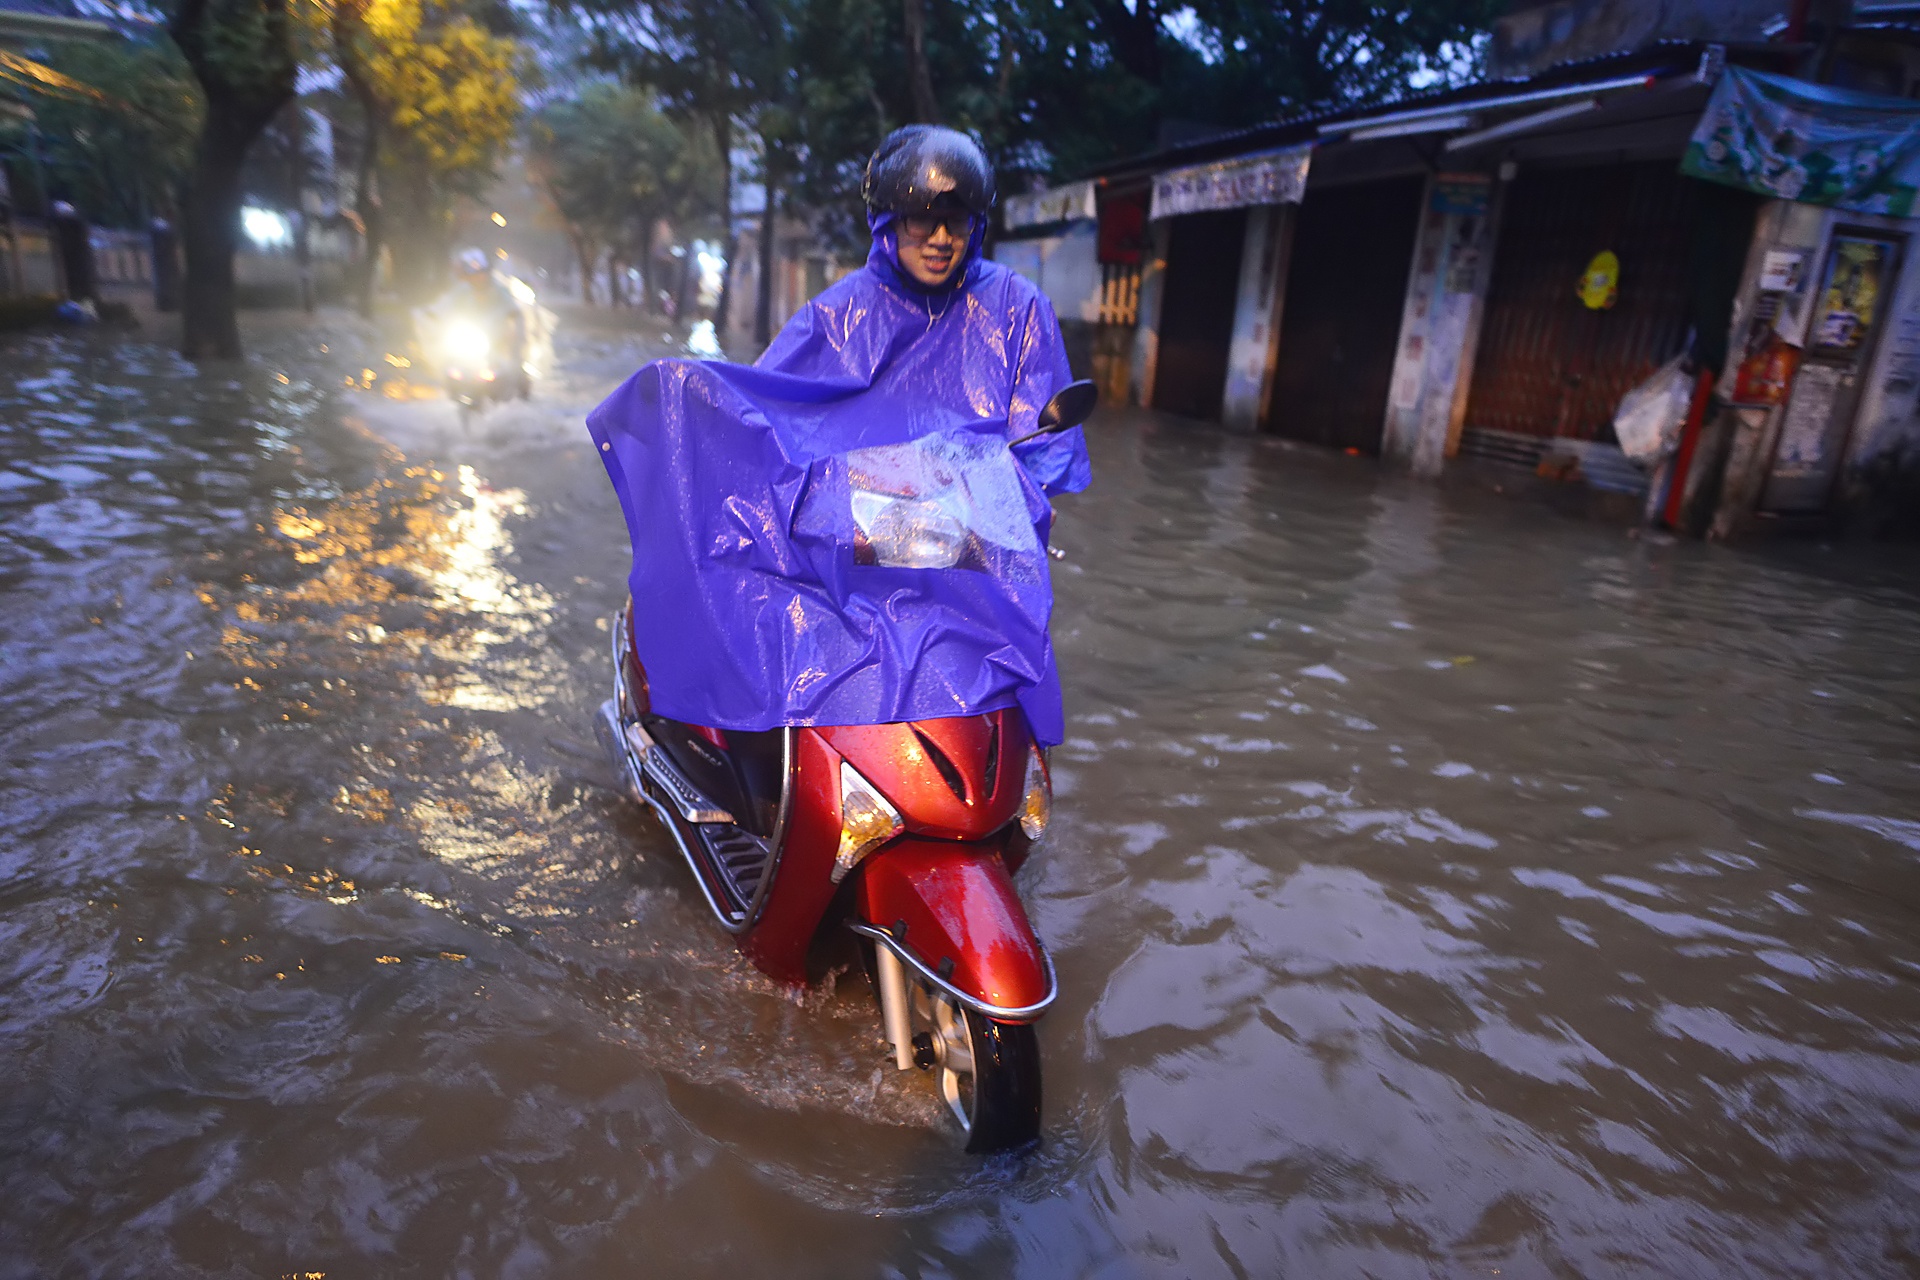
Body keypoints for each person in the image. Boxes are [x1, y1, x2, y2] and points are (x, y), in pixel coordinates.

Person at [757, 125, 1091, 500]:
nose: (941, 239)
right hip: (862, 520)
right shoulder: (836, 315)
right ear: (887, 223)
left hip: (980, 520)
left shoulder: (1018, 306)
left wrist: (1029, 498)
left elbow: (1044, 447)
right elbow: (760, 422)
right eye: (921, 220)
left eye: (957, 221)